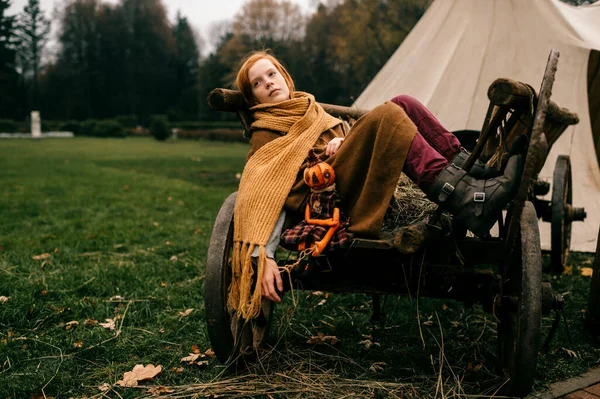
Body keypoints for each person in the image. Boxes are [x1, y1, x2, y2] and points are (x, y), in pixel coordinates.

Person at [228, 50, 522, 319]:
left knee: (404, 103)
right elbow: (265, 197)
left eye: (271, 74)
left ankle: (471, 173)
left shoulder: (310, 112)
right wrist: (263, 256)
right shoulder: (266, 133)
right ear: (254, 99)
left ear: (285, 77)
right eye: (257, 83)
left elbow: (345, 143)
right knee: (388, 115)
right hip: (329, 201)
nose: (268, 83)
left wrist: (342, 142)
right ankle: (462, 198)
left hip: (348, 177)